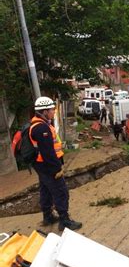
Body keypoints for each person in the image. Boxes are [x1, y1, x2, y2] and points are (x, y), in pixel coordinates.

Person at [29, 96, 82, 231]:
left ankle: (48, 216)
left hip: (41, 165)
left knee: (45, 189)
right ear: (44, 111)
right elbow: (48, 152)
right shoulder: (42, 129)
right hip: (48, 166)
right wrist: (57, 168)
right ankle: (64, 220)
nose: (54, 111)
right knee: (61, 191)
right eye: (52, 109)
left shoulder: (41, 124)